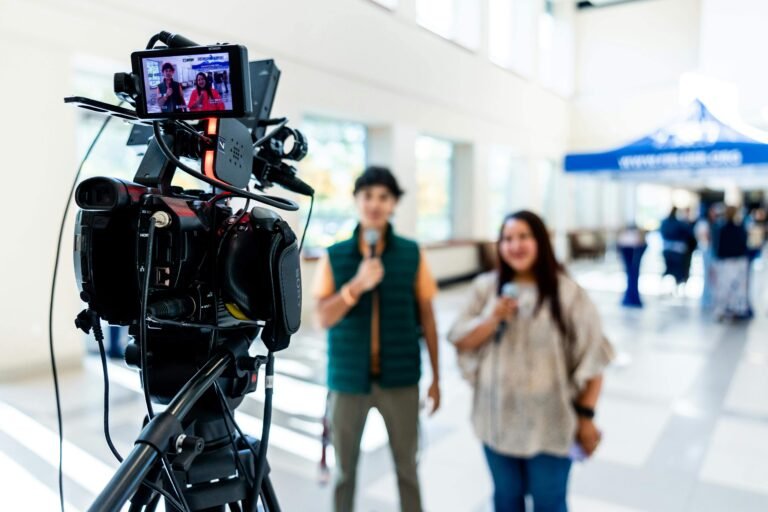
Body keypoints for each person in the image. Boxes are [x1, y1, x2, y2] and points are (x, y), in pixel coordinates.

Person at [448, 210, 614, 512]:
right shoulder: (486, 288)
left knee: (549, 502)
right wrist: (491, 318)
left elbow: (594, 358)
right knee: (506, 500)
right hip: (496, 421)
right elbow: (459, 338)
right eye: (507, 239)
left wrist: (586, 416)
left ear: (541, 241)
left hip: (551, 425)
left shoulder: (567, 293)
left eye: (524, 236)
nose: (515, 245)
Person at [313, 166, 441, 512]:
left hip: (400, 379)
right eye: (368, 195)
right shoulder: (336, 255)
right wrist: (355, 287)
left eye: (384, 197)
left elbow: (428, 318)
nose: (375, 204)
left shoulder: (412, 253)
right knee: (344, 473)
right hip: (347, 381)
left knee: (407, 469)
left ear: (394, 204)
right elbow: (322, 317)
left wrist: (436, 379)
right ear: (356, 200)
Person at [712, 206, 751, 320]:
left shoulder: (721, 228)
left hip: (725, 261)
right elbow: (743, 245)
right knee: (735, 288)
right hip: (736, 261)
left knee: (724, 287)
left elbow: (717, 247)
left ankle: (723, 310)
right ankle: (732, 310)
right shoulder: (739, 229)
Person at [660, 207, 695, 292]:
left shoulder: (665, 222)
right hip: (677, 251)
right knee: (678, 271)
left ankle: (668, 288)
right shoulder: (679, 224)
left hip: (667, 250)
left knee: (669, 269)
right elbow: (689, 234)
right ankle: (676, 288)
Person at [694, 204, 719, 310]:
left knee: (713, 276)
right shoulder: (703, 223)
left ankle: (712, 299)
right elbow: (702, 237)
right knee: (707, 276)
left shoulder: (715, 223)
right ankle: (706, 300)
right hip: (707, 250)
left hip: (713, 251)